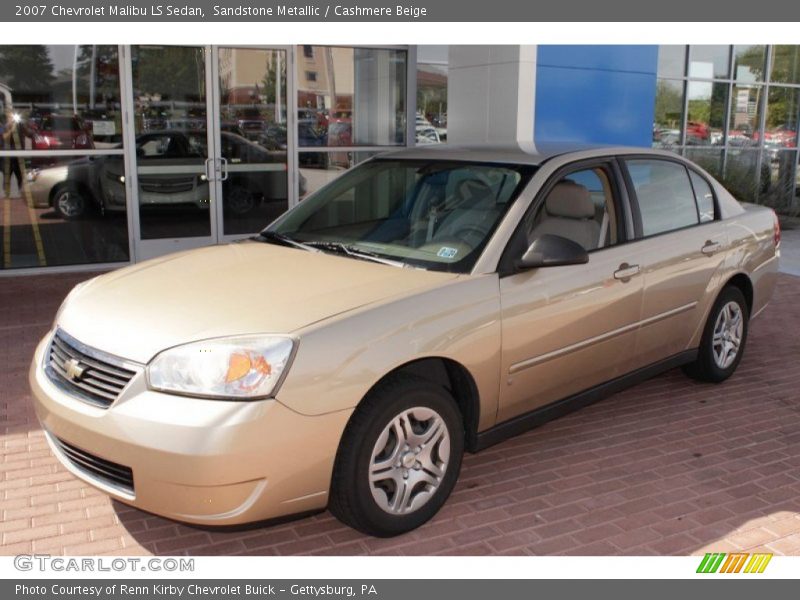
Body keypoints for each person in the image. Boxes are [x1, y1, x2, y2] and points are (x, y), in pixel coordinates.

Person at [2, 109, 25, 198]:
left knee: (20, 174)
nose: (12, 119)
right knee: (7, 174)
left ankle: (21, 192)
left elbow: (28, 134)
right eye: (10, 117)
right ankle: (7, 193)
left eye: (13, 117)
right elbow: (5, 137)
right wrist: (12, 129)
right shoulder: (5, 127)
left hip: (18, 154)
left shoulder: (20, 126)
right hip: (8, 155)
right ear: (7, 118)